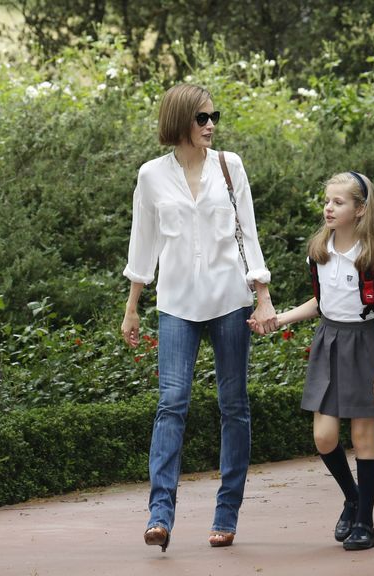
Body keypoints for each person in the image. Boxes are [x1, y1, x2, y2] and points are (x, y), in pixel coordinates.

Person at [120, 83, 278, 553]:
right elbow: (142, 242)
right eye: (202, 118)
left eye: (214, 117)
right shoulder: (151, 176)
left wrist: (263, 295)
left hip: (230, 300)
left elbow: (247, 232)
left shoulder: (230, 167)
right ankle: (159, 515)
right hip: (175, 305)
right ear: (180, 122)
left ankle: (226, 515)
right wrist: (132, 305)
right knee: (172, 403)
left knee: (234, 406)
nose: (211, 125)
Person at [250, 171, 374, 551]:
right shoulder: (319, 251)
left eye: (338, 202)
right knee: (324, 436)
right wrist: (278, 318)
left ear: (360, 209)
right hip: (329, 342)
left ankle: (365, 522)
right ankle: (353, 497)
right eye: (327, 201)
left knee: (363, 438)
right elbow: (321, 303)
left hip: (365, 345)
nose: (328, 208)